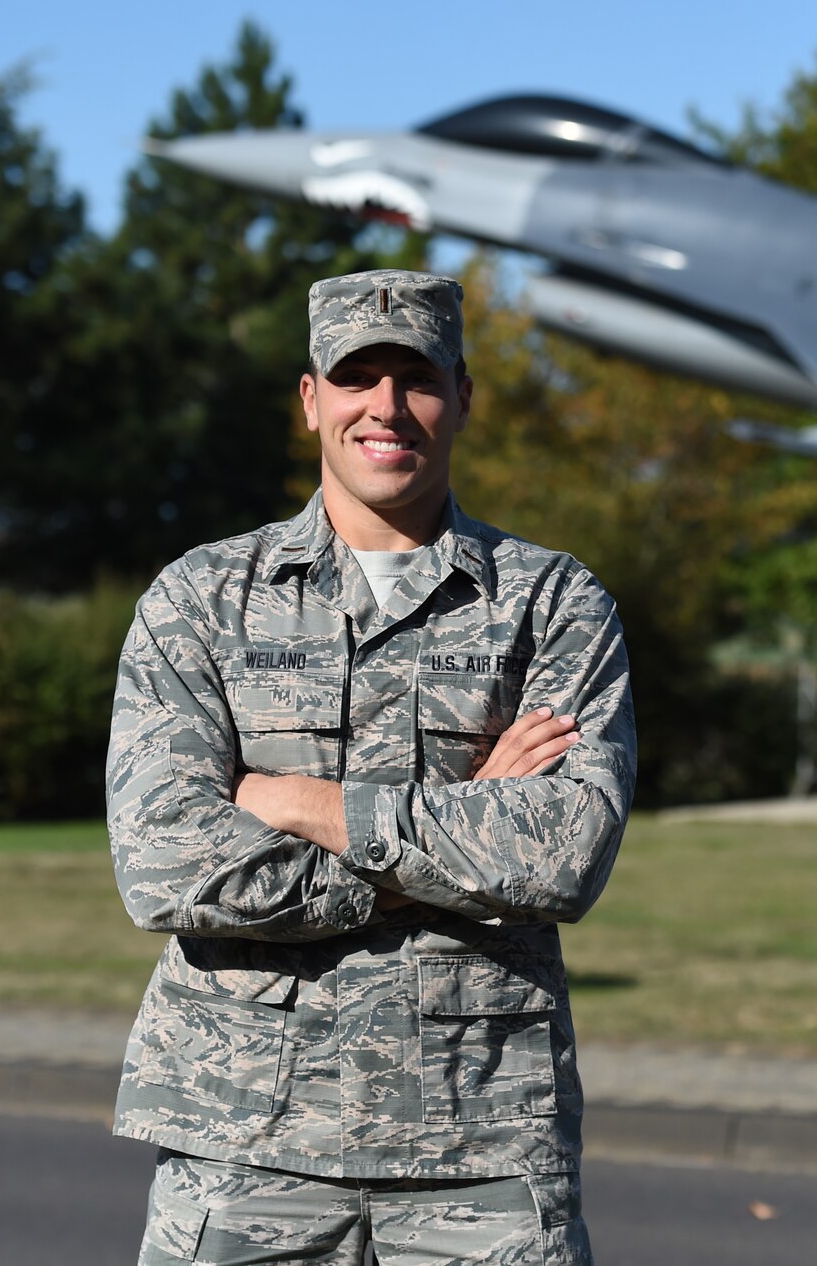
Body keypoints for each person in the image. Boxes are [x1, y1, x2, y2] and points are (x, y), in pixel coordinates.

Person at [105, 268, 636, 1265]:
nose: (386, 407)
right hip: (244, 1148)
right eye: (357, 376)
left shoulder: (551, 604)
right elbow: (165, 864)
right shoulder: (202, 599)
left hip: (480, 1149)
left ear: (463, 395)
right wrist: (455, 827)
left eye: (417, 377)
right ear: (312, 398)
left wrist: (291, 800)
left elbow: (561, 855)